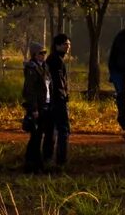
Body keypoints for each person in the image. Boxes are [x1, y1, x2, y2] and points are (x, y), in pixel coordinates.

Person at [38, 33, 74, 171]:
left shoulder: (53, 59)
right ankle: (61, 160)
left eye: (69, 44)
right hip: (57, 100)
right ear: (58, 45)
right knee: (63, 130)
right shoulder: (56, 61)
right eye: (65, 44)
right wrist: (63, 95)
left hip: (51, 100)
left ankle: (47, 157)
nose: (68, 47)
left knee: (50, 130)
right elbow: (58, 83)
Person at [19, 44, 51, 172]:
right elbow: (29, 90)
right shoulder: (32, 69)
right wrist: (34, 109)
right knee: (36, 136)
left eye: (44, 52)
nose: (43, 55)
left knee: (39, 136)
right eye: (40, 53)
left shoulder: (44, 67)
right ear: (34, 55)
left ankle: (35, 162)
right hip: (38, 106)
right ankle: (32, 163)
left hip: (46, 104)